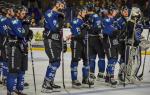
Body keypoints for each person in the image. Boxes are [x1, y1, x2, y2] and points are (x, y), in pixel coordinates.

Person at [6, 5, 32, 95]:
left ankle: (19, 90)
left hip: (23, 48)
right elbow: (21, 34)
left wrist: (29, 34)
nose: (24, 15)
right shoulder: (14, 21)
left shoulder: (21, 21)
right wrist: (26, 25)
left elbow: (26, 34)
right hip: (15, 48)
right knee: (13, 72)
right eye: (23, 13)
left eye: (25, 14)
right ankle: (10, 92)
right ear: (17, 13)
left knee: (22, 71)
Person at [42, 0, 66, 93]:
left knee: (56, 63)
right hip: (50, 40)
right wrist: (60, 19)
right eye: (62, 4)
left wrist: (62, 41)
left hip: (56, 41)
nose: (63, 6)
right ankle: (46, 84)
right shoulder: (49, 13)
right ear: (56, 4)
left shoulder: (59, 15)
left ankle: (50, 81)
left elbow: (60, 30)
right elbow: (54, 27)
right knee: (54, 62)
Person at [69, 6, 94, 88]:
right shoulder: (75, 21)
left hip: (84, 43)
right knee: (75, 61)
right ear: (79, 12)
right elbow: (77, 34)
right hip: (77, 42)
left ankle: (85, 79)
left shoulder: (83, 21)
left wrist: (87, 26)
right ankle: (74, 80)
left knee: (87, 61)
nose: (85, 13)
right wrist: (84, 27)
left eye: (85, 12)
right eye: (83, 11)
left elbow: (87, 31)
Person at [85, 3, 106, 82]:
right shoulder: (96, 16)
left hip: (89, 39)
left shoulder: (86, 16)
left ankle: (91, 73)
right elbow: (98, 28)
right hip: (97, 39)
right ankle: (100, 74)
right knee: (101, 57)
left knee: (92, 58)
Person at [102, 6, 119, 86]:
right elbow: (107, 32)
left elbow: (117, 30)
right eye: (114, 10)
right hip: (108, 42)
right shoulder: (106, 20)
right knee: (112, 58)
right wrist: (115, 30)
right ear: (111, 11)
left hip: (114, 41)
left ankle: (108, 76)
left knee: (115, 58)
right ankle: (111, 77)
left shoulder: (114, 20)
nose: (116, 12)